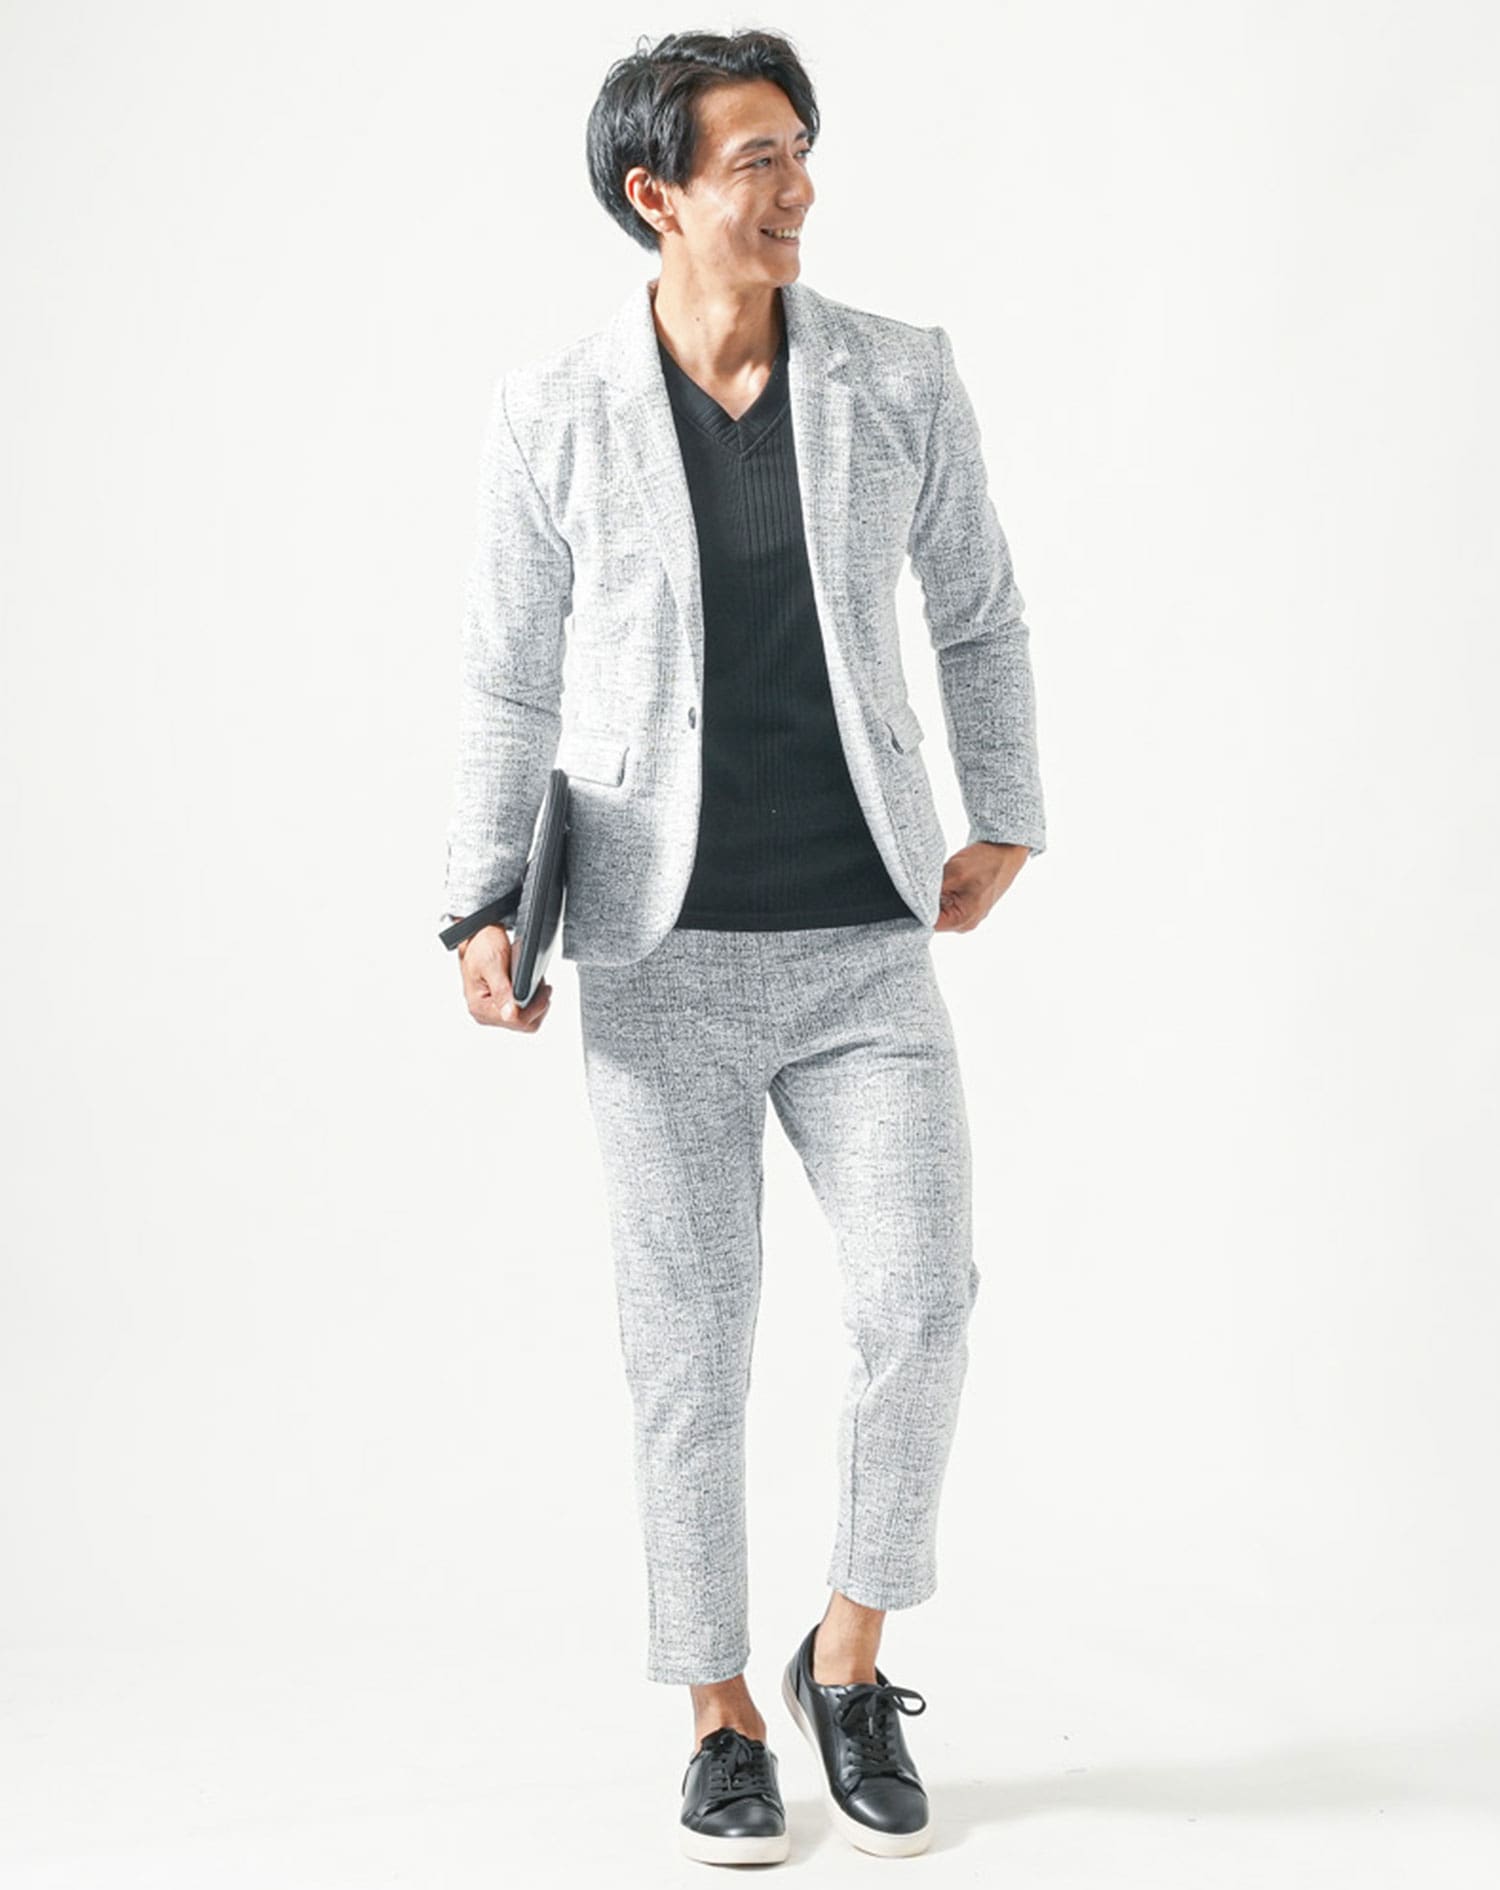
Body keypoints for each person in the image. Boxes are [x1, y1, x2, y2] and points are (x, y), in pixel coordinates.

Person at [437, 28, 1046, 1866]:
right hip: (657, 959)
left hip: (864, 944)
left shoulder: (898, 374)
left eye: (801, 148)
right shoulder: (552, 411)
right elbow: (505, 677)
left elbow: (979, 611)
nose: (798, 187)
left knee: (922, 1302)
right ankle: (717, 1713)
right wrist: (482, 897)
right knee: (690, 1350)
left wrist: (1004, 806)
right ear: (659, 194)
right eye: (758, 159)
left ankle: (844, 1657)